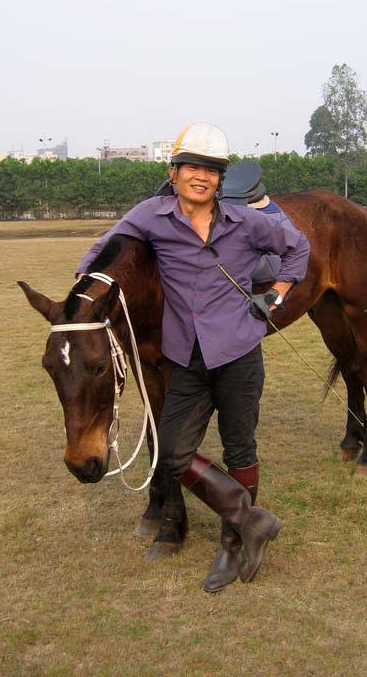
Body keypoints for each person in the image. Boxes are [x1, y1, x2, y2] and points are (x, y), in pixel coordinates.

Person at [76, 123, 310, 592]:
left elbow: (297, 248)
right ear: (175, 172)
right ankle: (252, 519)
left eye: (211, 170)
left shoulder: (248, 223)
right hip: (186, 356)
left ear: (220, 179)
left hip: (240, 352)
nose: (201, 177)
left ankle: (231, 542)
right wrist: (83, 284)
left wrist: (277, 295)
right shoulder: (151, 216)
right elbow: (107, 246)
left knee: (240, 447)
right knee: (172, 450)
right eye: (192, 168)